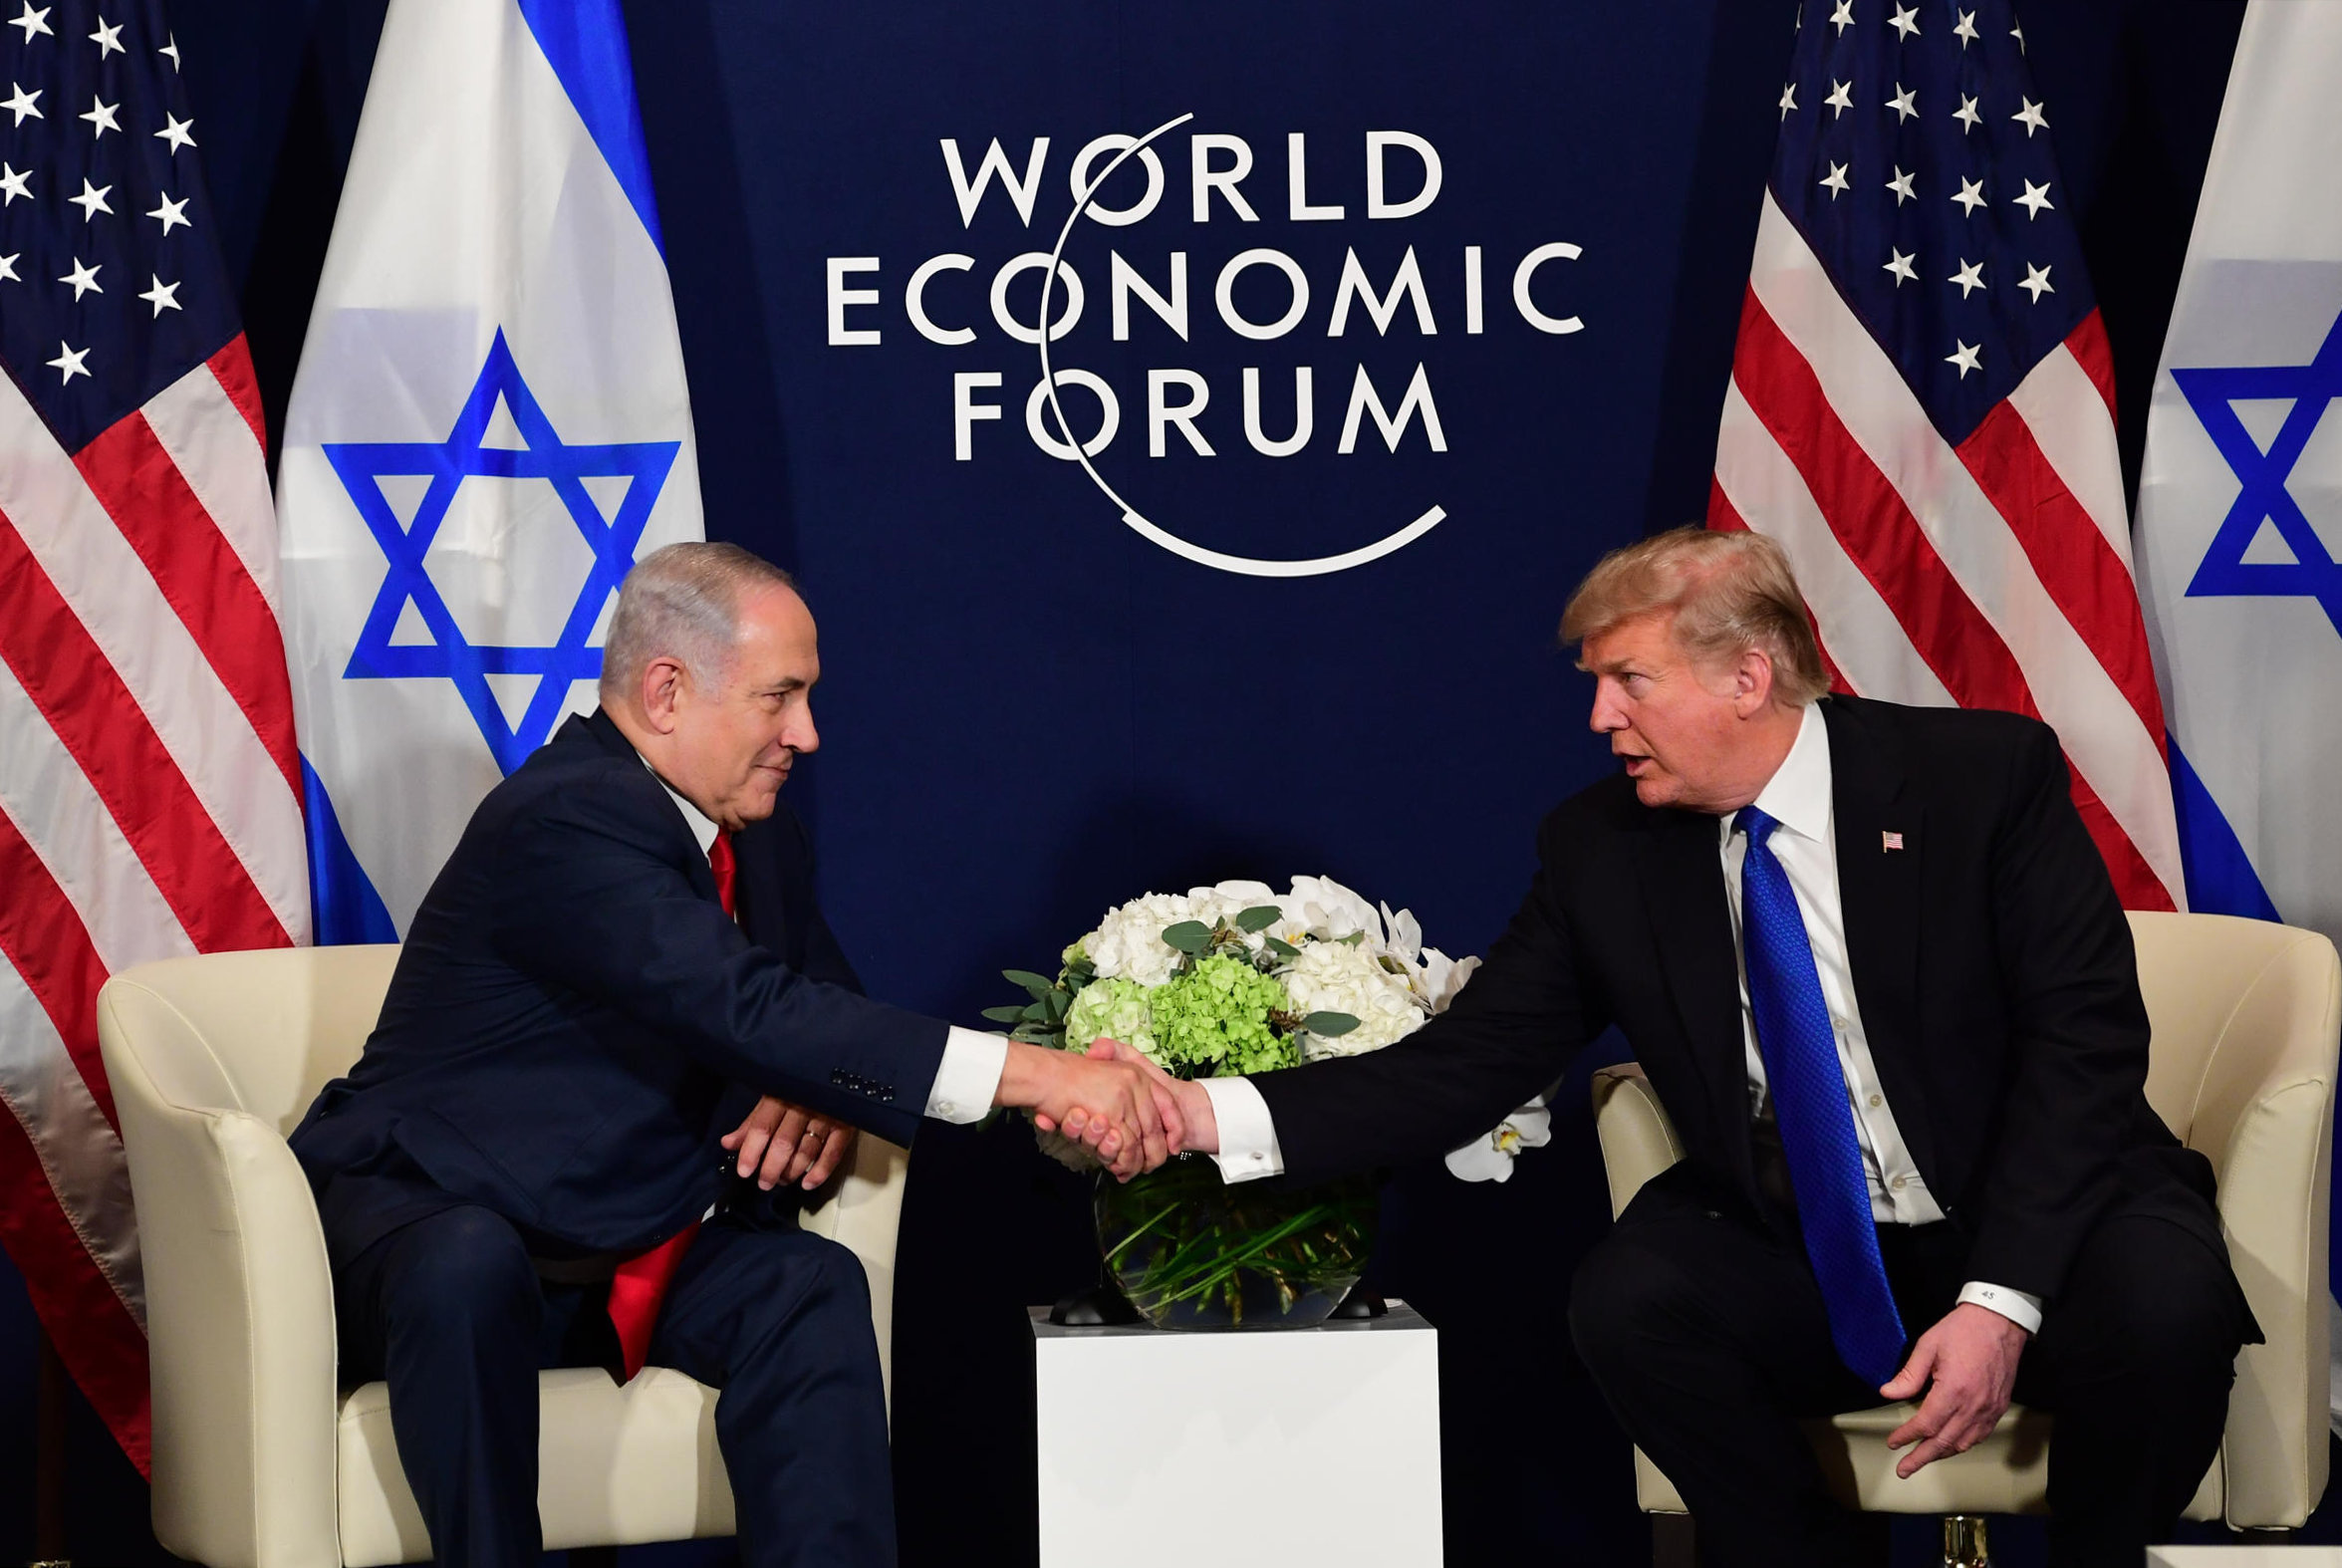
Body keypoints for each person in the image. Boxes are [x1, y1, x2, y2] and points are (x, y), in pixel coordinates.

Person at [1104, 527, 2257, 1566]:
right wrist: (1201, 1114)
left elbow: (2081, 1043)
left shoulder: (1979, 779)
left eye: (1628, 680)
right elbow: (1464, 1064)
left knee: (2161, 1302)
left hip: (2035, 1211)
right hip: (1804, 1239)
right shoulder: (1599, 848)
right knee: (1632, 1301)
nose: (1599, 718)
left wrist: (1999, 1299)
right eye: (1596, 684)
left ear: (1746, 676)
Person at [290, 542, 1170, 1568]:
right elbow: (751, 1006)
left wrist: (819, 1091)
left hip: (623, 1229)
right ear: (667, 691)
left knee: (807, 1286)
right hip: (434, 1222)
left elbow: (820, 1007)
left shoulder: (754, 834)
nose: (807, 733)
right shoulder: (567, 814)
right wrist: (1045, 1073)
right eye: (779, 696)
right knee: (465, 1263)